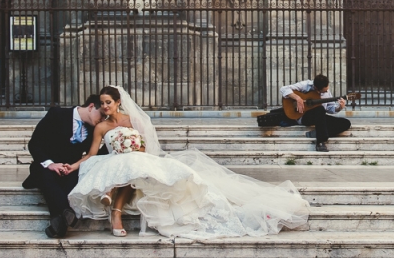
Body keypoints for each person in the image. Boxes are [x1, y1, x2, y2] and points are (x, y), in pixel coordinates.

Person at [66, 85, 309, 239]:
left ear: (118, 102)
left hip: (138, 159)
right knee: (127, 165)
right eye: (102, 103)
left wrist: (136, 149)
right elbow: (91, 154)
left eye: (109, 102)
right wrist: (73, 166)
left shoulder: (133, 120)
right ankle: (115, 210)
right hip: (114, 161)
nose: (105, 106)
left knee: (135, 164)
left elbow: (146, 145)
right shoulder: (100, 126)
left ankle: (114, 205)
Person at [22, 94, 103, 238]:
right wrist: (51, 164)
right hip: (45, 167)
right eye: (101, 115)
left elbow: (92, 153)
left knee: (73, 182)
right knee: (47, 178)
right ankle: (67, 212)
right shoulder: (57, 114)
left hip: (70, 170)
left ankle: (58, 225)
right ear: (91, 107)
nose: (102, 120)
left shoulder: (94, 129)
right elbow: (34, 144)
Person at [280, 74, 351, 152]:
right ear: (317, 89)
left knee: (345, 123)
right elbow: (283, 89)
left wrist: (339, 107)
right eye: (324, 91)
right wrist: (297, 98)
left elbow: (331, 108)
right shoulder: (306, 85)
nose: (327, 91)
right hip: (303, 116)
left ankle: (316, 133)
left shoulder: (326, 91)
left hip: (319, 117)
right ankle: (320, 142)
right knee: (320, 109)